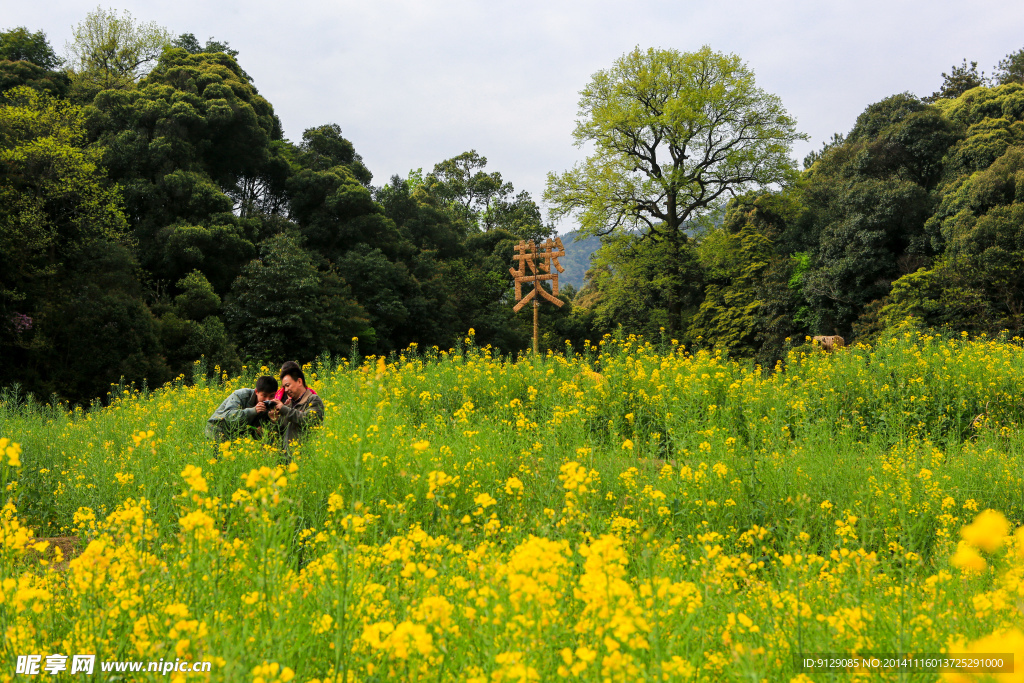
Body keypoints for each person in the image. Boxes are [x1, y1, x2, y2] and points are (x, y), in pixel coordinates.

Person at [269, 365, 325, 455]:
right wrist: (274, 420)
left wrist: (284, 409)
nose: (286, 390)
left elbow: (309, 420)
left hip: (305, 457)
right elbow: (280, 432)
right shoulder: (289, 404)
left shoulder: (313, 400)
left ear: (299, 381)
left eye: (288, 385)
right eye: (284, 387)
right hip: (287, 459)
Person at [205, 375, 278, 442]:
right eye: (264, 395)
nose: (267, 399)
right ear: (256, 392)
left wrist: (273, 420)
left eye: (272, 396)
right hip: (217, 429)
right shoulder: (241, 395)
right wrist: (253, 410)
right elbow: (229, 416)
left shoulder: (271, 405)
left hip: (235, 435)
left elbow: (267, 432)